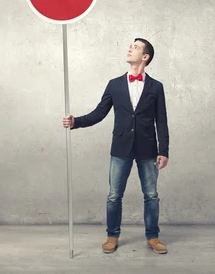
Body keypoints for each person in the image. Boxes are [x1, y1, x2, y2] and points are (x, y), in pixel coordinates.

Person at [62, 38, 169, 254]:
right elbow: (99, 113)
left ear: (145, 57)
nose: (130, 48)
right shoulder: (114, 84)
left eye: (136, 47)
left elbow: (162, 121)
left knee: (151, 195)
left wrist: (163, 150)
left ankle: (153, 237)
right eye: (131, 46)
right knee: (114, 195)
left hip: (148, 148)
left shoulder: (156, 87)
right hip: (120, 147)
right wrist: (76, 122)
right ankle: (112, 236)